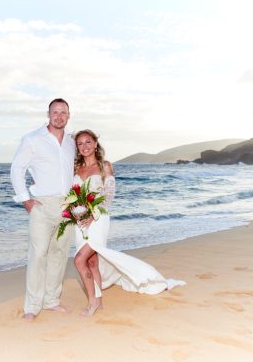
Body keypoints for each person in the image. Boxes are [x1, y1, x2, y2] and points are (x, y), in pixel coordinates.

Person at [72, 129, 186, 316]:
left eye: (88, 142)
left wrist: (93, 214)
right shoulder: (77, 169)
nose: (84, 146)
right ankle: (98, 301)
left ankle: (92, 301)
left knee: (79, 260)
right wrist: (77, 213)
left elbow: (109, 196)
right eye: (80, 143)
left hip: (99, 218)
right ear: (77, 147)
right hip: (80, 221)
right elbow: (75, 196)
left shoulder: (105, 166)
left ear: (95, 144)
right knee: (92, 262)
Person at [10, 98, 76, 321]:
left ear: (69, 115)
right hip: (42, 205)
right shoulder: (32, 139)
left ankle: (51, 300)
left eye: (63, 112)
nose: (59, 116)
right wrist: (25, 200)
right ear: (48, 115)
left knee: (59, 254)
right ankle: (32, 306)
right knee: (38, 255)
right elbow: (17, 169)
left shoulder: (70, 142)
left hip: (67, 206)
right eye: (55, 112)